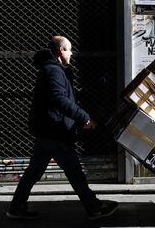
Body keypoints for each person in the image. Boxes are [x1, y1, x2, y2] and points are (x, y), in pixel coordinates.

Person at [6, 36, 118, 220]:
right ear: (60, 51)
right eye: (69, 49)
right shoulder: (53, 71)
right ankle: (94, 208)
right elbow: (59, 99)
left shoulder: (54, 70)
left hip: (48, 131)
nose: (72, 53)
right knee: (75, 172)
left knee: (34, 171)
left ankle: (16, 207)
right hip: (55, 130)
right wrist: (84, 117)